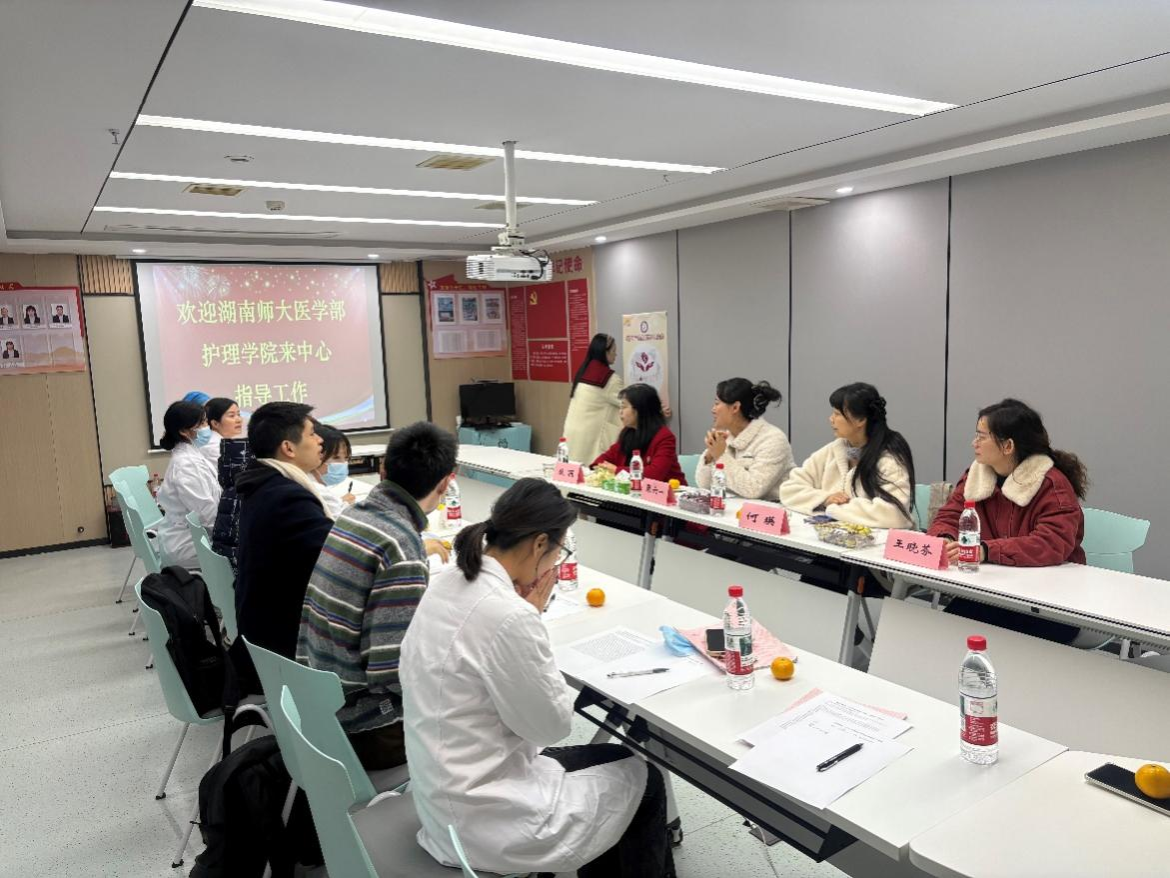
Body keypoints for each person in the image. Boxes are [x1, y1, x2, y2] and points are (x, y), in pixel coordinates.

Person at [401, 479, 674, 877]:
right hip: (486, 818)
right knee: (645, 780)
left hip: (442, 793)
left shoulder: (446, 582)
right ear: (540, 544)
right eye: (559, 552)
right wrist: (532, 617)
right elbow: (552, 727)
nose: (554, 564)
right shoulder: (508, 614)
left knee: (616, 763)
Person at [298, 421, 457, 770]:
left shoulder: (354, 515)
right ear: (447, 482)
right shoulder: (400, 545)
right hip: (368, 729)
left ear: (383, 468)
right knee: (481, 708)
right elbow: (391, 670)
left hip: (319, 703)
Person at [929, 398, 1088, 642]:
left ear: (1008, 446)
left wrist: (985, 550)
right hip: (993, 592)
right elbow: (949, 515)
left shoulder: (1052, 485)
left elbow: (1051, 544)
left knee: (969, 637)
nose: (974, 443)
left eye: (981, 436)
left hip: (1050, 603)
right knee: (944, 633)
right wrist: (946, 539)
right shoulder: (976, 475)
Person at [231, 402, 330, 693]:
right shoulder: (285, 497)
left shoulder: (265, 485)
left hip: (265, 634)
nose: (320, 440)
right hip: (286, 645)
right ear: (288, 448)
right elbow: (338, 560)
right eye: (312, 434)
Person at [781, 383, 916, 528]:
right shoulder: (834, 449)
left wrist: (836, 508)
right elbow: (789, 489)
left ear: (861, 420)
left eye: (837, 414)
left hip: (876, 540)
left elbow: (895, 514)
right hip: (833, 537)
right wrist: (825, 499)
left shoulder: (890, 459)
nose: (831, 419)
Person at [694, 378, 794, 500]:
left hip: (771, 508)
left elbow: (754, 489)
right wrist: (710, 455)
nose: (713, 409)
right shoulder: (725, 438)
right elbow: (704, 485)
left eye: (717, 403)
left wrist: (720, 456)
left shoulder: (773, 439)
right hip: (732, 508)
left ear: (735, 407)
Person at [154, 400, 222, 569]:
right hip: (186, 546)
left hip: (193, 537)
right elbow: (207, 515)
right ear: (184, 431)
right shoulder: (186, 465)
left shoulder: (191, 455)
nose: (207, 427)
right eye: (202, 423)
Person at [591, 383, 686, 484]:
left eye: (624, 407)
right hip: (634, 490)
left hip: (668, 491)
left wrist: (616, 470)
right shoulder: (628, 432)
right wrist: (601, 467)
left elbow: (654, 474)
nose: (620, 412)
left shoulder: (664, 437)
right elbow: (602, 460)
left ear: (640, 410)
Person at [561, 333, 623, 464]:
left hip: (572, 435)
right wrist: (657, 407)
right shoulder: (609, 379)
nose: (616, 354)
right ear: (604, 353)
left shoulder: (583, 372)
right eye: (613, 351)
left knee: (574, 469)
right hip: (590, 439)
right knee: (591, 472)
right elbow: (629, 402)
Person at [308, 422, 356, 519]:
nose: (343, 463)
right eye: (336, 457)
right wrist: (345, 504)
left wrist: (340, 502)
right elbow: (339, 521)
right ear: (317, 454)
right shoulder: (316, 490)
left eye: (346, 458)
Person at [200, 397, 243, 465]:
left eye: (238, 414)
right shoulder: (214, 446)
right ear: (215, 423)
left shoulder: (223, 442)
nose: (239, 420)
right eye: (231, 415)